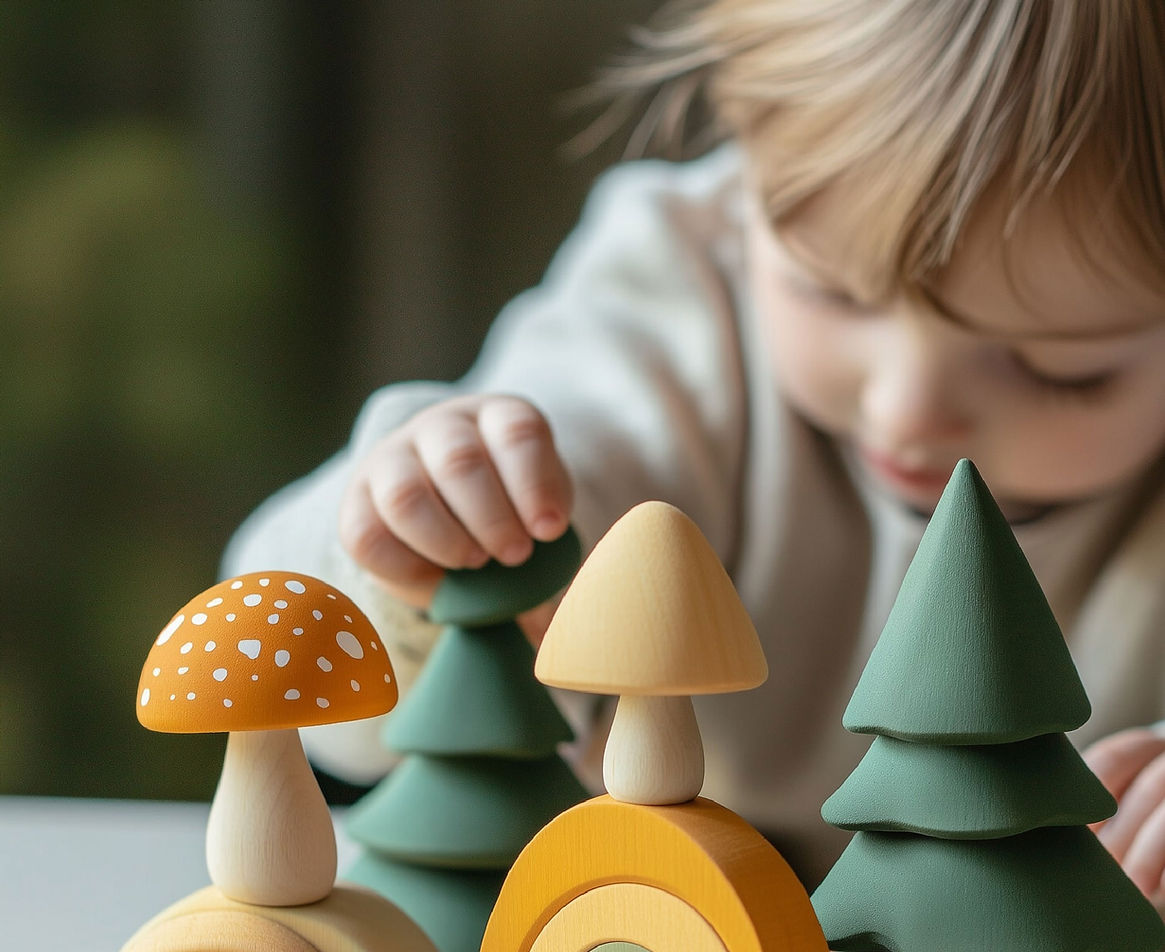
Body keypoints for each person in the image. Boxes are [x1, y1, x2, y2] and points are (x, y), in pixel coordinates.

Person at [226, 0, 1165, 897]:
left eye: (1058, 370)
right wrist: (432, 537)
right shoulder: (678, 303)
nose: (907, 410)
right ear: (745, 156)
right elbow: (321, 709)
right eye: (828, 294)